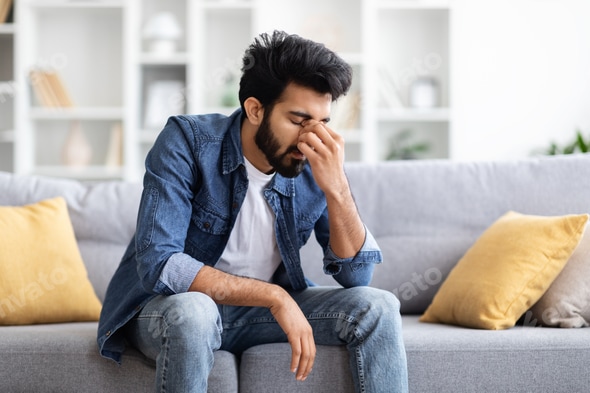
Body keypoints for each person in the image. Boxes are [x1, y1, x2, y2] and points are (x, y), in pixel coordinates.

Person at [97, 30, 408, 393]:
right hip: (168, 310)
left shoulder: (314, 163)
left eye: (322, 123)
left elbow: (357, 277)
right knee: (196, 313)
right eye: (298, 120)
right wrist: (273, 296)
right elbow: (160, 263)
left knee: (379, 306)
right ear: (256, 109)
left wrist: (336, 188)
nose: (312, 138)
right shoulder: (188, 141)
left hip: (253, 317)